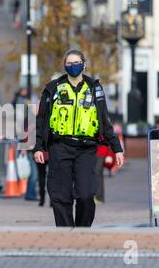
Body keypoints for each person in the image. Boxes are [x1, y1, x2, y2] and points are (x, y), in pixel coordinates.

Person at [33, 49, 124, 227]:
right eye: (69, 63)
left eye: (77, 63)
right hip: (60, 147)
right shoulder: (52, 89)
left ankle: (83, 230)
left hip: (86, 149)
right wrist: (38, 147)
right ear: (64, 66)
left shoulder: (94, 88)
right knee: (60, 195)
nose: (73, 66)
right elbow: (41, 121)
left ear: (84, 64)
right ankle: (66, 233)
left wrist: (117, 148)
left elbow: (104, 119)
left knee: (86, 194)